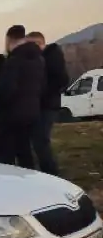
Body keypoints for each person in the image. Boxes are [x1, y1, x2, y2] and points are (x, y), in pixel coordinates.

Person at [0, 25, 44, 169]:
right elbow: (43, 84)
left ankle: (10, 182)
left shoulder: (14, 60)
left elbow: (7, 89)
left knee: (7, 152)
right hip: (33, 111)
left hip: (13, 114)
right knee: (25, 151)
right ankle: (29, 178)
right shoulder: (38, 59)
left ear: (9, 39)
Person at [28, 31, 68, 176]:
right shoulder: (40, 58)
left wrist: (42, 92)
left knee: (41, 141)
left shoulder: (52, 56)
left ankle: (52, 174)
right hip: (40, 105)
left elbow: (62, 79)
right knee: (38, 142)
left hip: (48, 105)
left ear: (39, 43)